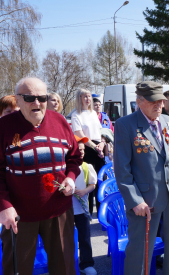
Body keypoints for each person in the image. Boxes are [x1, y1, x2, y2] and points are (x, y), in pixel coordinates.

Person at [113, 81, 169, 275]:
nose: (159, 105)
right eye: (153, 101)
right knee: (140, 253)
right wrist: (135, 201)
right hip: (145, 201)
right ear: (139, 101)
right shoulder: (125, 125)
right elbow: (122, 169)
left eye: (161, 101)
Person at [0, 77, 82, 275]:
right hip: (19, 215)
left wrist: (70, 178)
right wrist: (4, 206)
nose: (37, 103)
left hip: (59, 210)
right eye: (29, 98)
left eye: (41, 97)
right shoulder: (3, 127)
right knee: (17, 269)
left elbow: (73, 158)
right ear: (18, 100)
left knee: (64, 267)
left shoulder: (60, 121)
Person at [71, 89, 105, 216]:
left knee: (100, 180)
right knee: (89, 180)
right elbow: (80, 135)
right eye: (84, 96)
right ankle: (88, 211)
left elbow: (101, 132)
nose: (88, 99)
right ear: (79, 98)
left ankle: (101, 211)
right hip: (87, 148)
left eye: (89, 96)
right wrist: (95, 147)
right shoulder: (76, 115)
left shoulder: (93, 114)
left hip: (98, 148)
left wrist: (101, 144)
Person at [73, 135, 97, 275]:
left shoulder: (87, 167)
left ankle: (86, 263)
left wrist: (84, 191)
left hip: (82, 210)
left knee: (85, 237)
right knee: (67, 238)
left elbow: (93, 184)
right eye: (78, 149)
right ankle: (68, 263)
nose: (81, 152)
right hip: (68, 210)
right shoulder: (64, 168)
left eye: (83, 149)